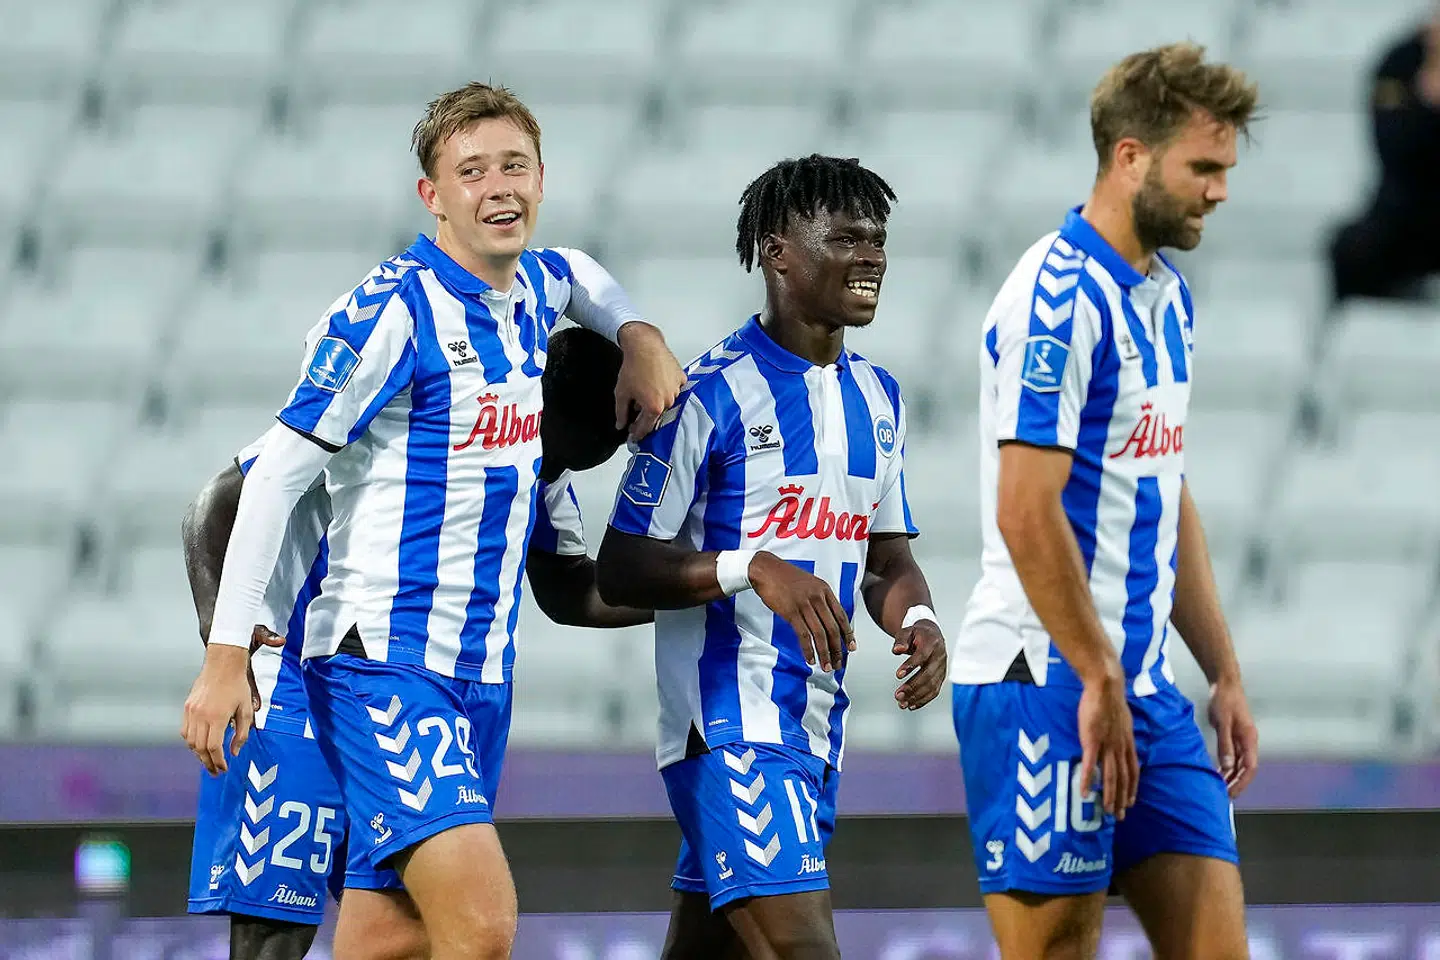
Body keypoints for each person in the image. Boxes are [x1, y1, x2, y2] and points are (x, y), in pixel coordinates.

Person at [180, 82, 685, 960]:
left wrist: (639, 332)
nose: (499, 187)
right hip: (360, 666)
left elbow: (585, 277)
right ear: (433, 194)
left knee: (390, 940)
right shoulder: (391, 312)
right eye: (472, 170)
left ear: (542, 178)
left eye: (515, 167)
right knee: (468, 925)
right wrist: (233, 653)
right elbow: (243, 491)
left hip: (475, 683)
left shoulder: (533, 304)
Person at [183, 327, 652, 960]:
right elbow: (217, 503)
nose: (553, 468)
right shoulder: (405, 414)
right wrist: (226, 651)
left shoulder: (539, 468)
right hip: (296, 680)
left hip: (411, 693)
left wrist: (701, 596)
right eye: (570, 448)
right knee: (273, 937)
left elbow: (570, 591)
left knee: (400, 932)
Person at [951, 43, 1261, 959]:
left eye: (1227, 170)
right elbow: (1024, 508)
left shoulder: (1168, 298)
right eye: (1203, 168)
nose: (1219, 192)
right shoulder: (1057, 298)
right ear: (1130, 157)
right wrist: (1094, 671)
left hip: (1141, 686)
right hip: (1043, 679)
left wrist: (1225, 672)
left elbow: (1162, 488)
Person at [596, 155, 949, 960]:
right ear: (778, 249)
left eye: (880, 239)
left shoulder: (880, 397)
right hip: (727, 726)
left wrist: (919, 618)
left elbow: (886, 560)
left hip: (814, 728)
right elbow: (620, 567)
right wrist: (747, 565)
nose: (872, 256)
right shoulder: (704, 396)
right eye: (848, 237)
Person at [1328, 4, 1440, 305]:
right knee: (1353, 250)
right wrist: (1428, 100)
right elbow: (1392, 148)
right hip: (1406, 209)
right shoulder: (1401, 62)